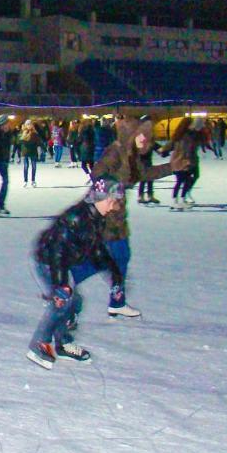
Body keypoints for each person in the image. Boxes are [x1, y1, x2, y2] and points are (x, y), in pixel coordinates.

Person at [26, 176, 126, 369]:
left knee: (75, 302)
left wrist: (115, 274)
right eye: (112, 200)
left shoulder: (96, 217)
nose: (114, 206)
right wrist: (61, 284)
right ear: (101, 198)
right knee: (63, 301)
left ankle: (62, 343)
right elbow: (57, 251)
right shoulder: (76, 218)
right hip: (46, 262)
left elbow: (97, 249)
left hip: (60, 262)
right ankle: (38, 344)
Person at [81, 115, 174, 318]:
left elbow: (144, 174)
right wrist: (110, 193)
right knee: (106, 260)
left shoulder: (131, 156)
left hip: (118, 220)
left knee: (120, 258)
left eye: (147, 136)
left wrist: (172, 167)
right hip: (106, 218)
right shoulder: (116, 151)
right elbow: (97, 172)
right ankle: (63, 283)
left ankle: (117, 301)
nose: (145, 139)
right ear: (131, 134)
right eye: (141, 135)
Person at [163, 116, 210, 209]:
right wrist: (163, 150)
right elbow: (182, 148)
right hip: (180, 161)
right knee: (181, 180)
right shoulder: (184, 135)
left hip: (186, 161)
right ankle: (175, 201)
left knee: (186, 180)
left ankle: (181, 199)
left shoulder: (192, 134)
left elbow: (192, 147)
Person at [19, 120, 42, 188]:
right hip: (25, 152)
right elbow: (20, 142)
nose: (29, 125)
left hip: (33, 151)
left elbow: (38, 143)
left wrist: (39, 150)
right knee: (26, 167)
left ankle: (33, 181)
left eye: (30, 124)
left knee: (34, 166)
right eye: (28, 124)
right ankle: (25, 181)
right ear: (25, 125)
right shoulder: (22, 133)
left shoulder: (35, 133)